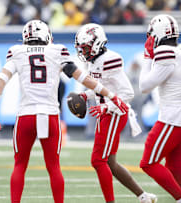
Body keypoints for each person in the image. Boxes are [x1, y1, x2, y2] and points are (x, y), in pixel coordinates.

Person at [0, 20, 128, 203]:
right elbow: (83, 77)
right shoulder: (56, 50)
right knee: (54, 167)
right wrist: (110, 94)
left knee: (19, 166)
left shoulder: (17, 52)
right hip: (50, 114)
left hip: (26, 115)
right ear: (46, 36)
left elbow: (0, 81)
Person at [75, 23, 157, 203]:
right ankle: (143, 197)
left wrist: (105, 108)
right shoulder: (95, 60)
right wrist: (84, 94)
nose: (84, 52)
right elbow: (101, 89)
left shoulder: (110, 59)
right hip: (106, 113)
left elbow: (127, 94)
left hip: (113, 114)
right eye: (82, 48)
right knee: (110, 163)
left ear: (97, 43)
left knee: (98, 161)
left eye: (86, 48)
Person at [139, 14, 181, 203]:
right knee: (175, 167)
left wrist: (148, 57)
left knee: (148, 163)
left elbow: (144, 86)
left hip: (173, 118)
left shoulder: (166, 52)